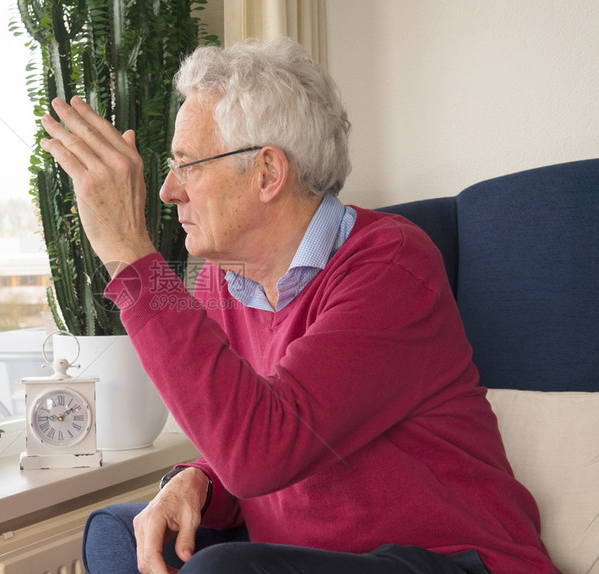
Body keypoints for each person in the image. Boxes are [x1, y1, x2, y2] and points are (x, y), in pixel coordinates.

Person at [39, 37, 559, 574]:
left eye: (187, 165)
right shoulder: (219, 283)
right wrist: (197, 478)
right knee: (119, 535)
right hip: (315, 558)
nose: (169, 190)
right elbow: (242, 438)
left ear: (268, 173)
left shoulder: (391, 265)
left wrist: (131, 255)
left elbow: (263, 448)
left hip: (454, 560)